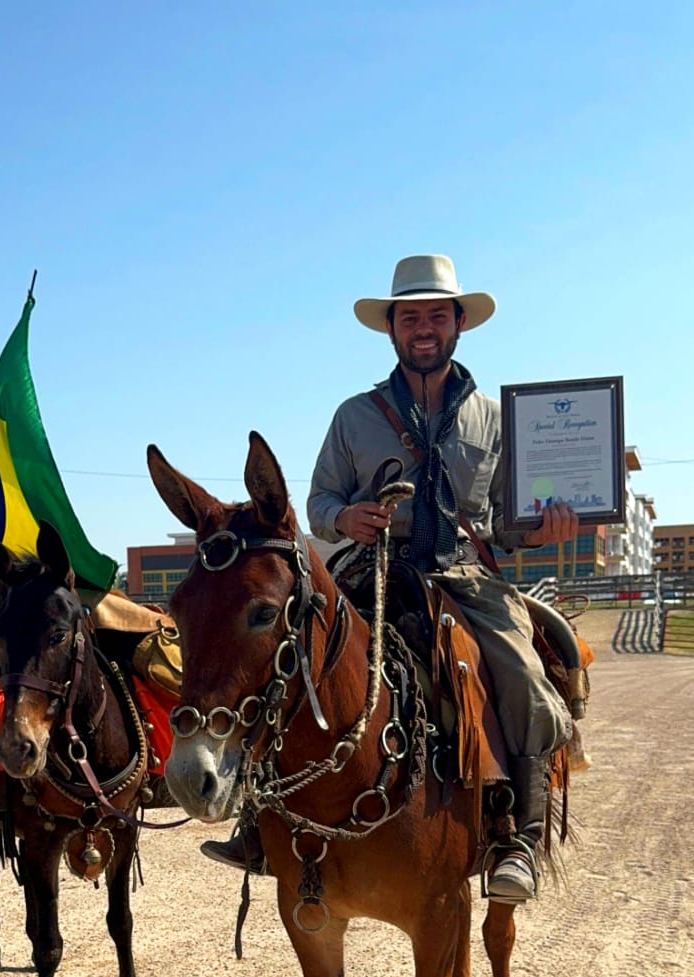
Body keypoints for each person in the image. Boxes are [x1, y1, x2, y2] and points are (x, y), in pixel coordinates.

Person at [203, 254, 579, 901]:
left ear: (459, 323)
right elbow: (317, 503)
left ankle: (516, 834)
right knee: (287, 655)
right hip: (367, 568)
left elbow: (504, 519)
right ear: (392, 329)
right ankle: (258, 820)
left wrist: (541, 530)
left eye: (437, 314)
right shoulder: (354, 416)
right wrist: (344, 515)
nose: (424, 327)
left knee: (522, 672)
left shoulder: (495, 419)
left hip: (464, 575)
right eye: (411, 317)